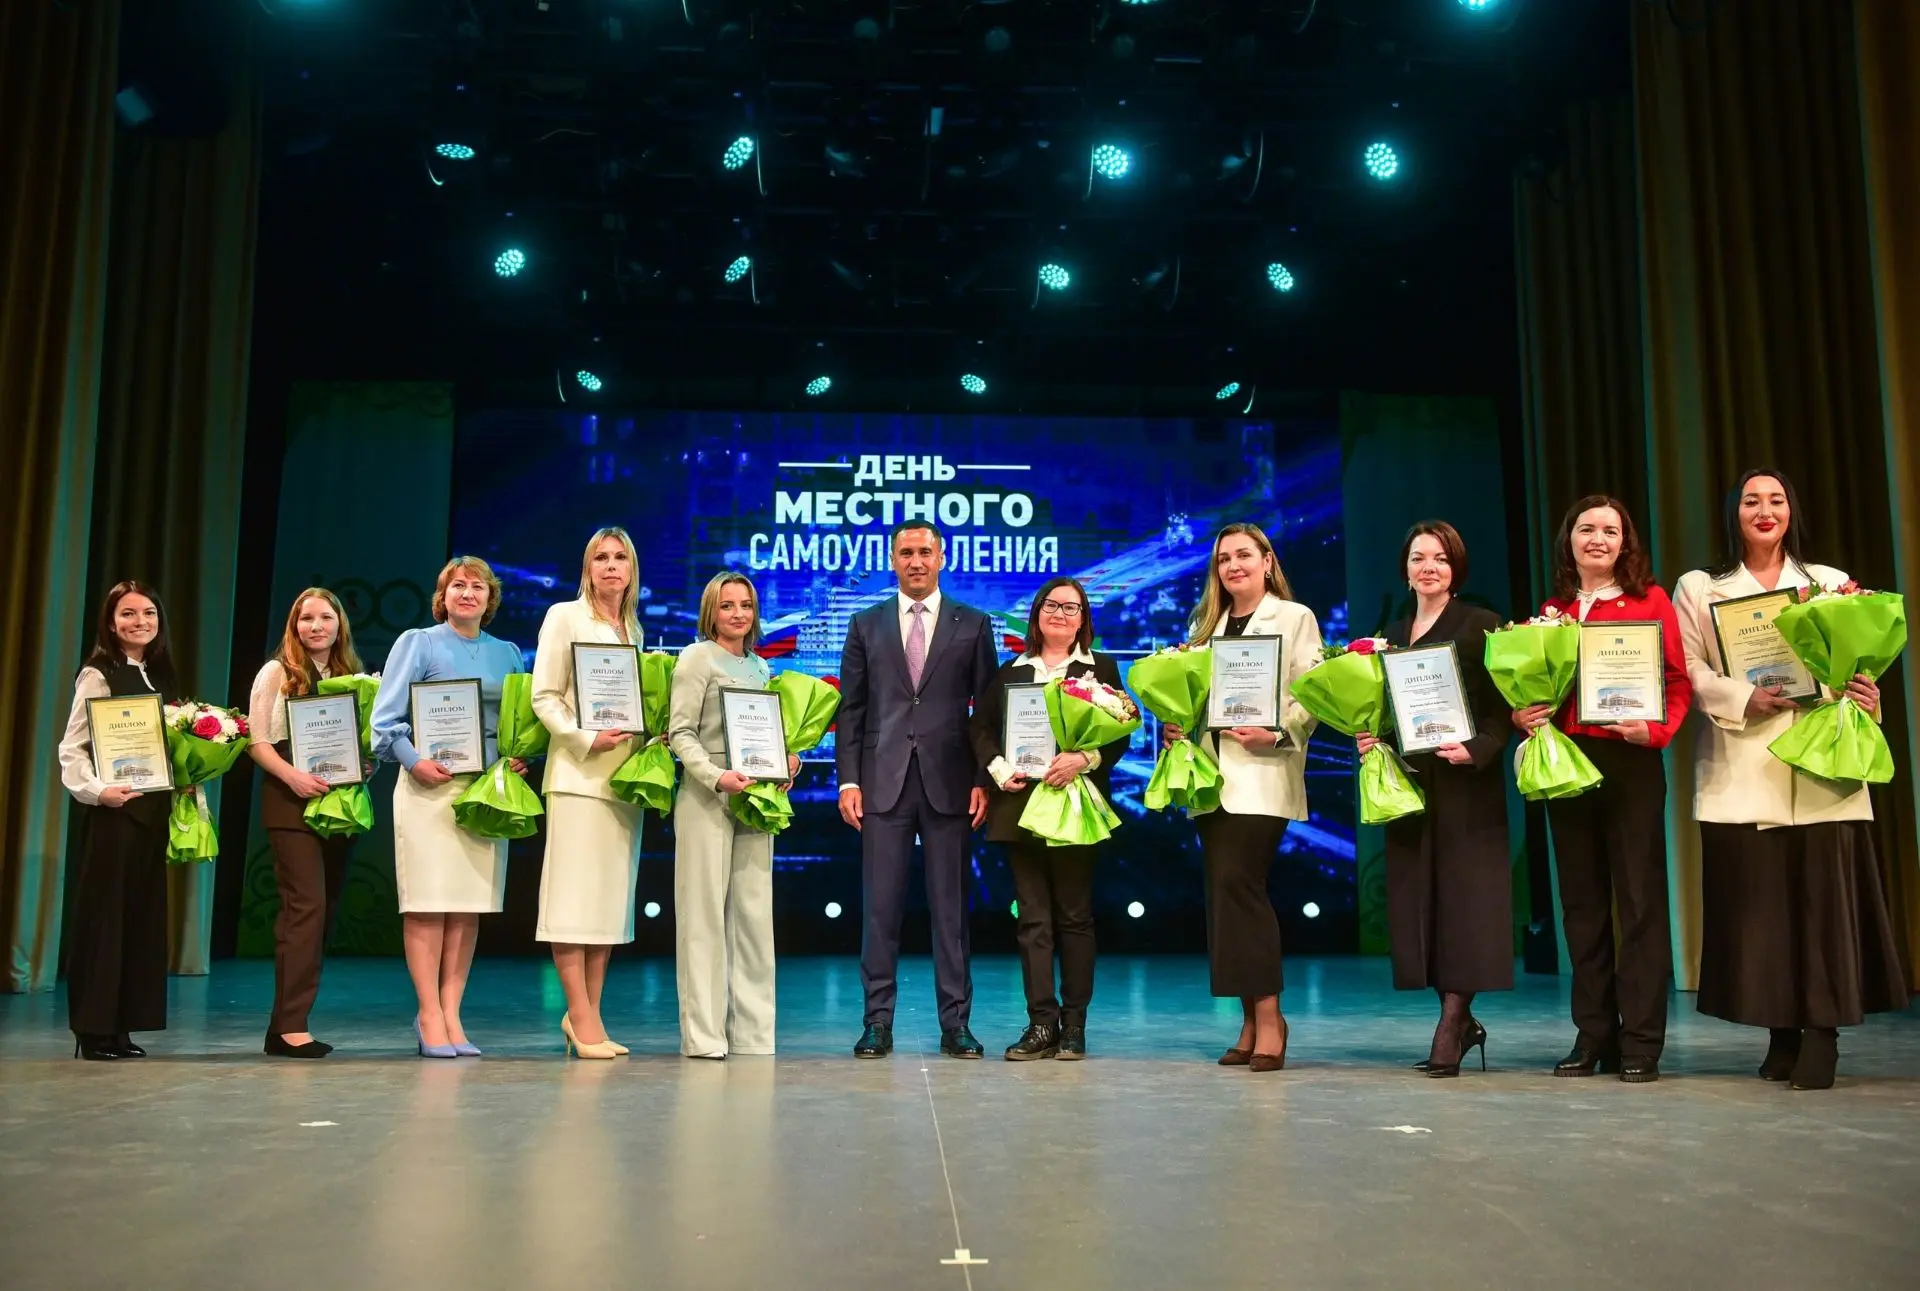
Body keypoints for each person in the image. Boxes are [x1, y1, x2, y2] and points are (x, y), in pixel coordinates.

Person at [1672, 468, 1906, 1090]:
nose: (1765, 510)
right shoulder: (1700, 586)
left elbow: (1854, 662)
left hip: (1820, 762)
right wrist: (1740, 696)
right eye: (1751, 500)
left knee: (1821, 910)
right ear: (1734, 513)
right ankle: (1780, 1032)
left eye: (1776, 499)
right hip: (1742, 762)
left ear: (1791, 511)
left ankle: (1822, 1035)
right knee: (1761, 912)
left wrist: (1865, 692)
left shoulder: (1827, 582)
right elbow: (1688, 665)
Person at [1514, 495, 1691, 1083]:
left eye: (1610, 531)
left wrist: (1656, 730)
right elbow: (1536, 688)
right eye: (1586, 529)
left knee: (1639, 904)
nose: (1598, 539)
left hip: (1631, 761)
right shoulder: (1553, 611)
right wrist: (1523, 714)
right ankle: (1593, 1034)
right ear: (1569, 540)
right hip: (1569, 763)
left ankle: (1641, 1040)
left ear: (1625, 542)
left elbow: (1676, 680)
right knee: (1582, 907)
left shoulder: (1651, 601)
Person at [1163, 523, 1322, 1072]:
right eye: (1224, 559)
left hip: (1264, 772)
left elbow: (1314, 693)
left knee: (1242, 887)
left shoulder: (1294, 617)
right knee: (1224, 895)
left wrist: (1278, 732)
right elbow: (1193, 697)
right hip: (1211, 778)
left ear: (1267, 561)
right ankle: (1249, 1021)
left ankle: (1271, 1018)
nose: (1233, 565)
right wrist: (1178, 725)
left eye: (1243, 555)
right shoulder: (1203, 627)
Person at [836, 520, 998, 1059]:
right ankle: (876, 1023)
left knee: (950, 914)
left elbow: (987, 713)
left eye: (925, 551)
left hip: (951, 784)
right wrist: (849, 779)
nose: (916, 561)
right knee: (880, 911)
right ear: (893, 560)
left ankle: (956, 1025)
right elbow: (852, 710)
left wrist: (983, 778)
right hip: (881, 785)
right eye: (906, 552)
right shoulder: (865, 623)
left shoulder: (973, 624)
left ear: (941, 557)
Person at [1357, 522, 1512, 1077]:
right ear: (1405, 569)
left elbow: (1504, 709)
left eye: (1441, 559)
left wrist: (1479, 748)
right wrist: (1371, 738)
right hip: (1410, 784)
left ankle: (1452, 1024)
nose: (1429, 567)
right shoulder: (1390, 635)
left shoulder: (1481, 625)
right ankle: (1458, 1020)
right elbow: (1380, 710)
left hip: (1465, 782)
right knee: (1420, 905)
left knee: (1466, 905)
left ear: (1456, 569)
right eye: (1419, 558)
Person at [970, 577, 1131, 1061]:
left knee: (1075, 917)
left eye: (1071, 607)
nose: (1060, 614)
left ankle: (1074, 1025)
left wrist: (1084, 760)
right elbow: (980, 728)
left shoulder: (1101, 669)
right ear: (1037, 614)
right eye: (1051, 605)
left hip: (1075, 804)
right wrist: (999, 769)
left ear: (1084, 619)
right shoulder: (1011, 671)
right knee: (1033, 920)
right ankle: (1042, 1023)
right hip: (1020, 806)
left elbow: (1121, 734)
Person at [371, 556, 526, 1059]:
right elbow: (384, 720)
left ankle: (453, 1013)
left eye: (477, 586)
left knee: (466, 906)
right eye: (458, 585)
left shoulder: (508, 653)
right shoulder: (418, 642)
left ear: (490, 598)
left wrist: (516, 757)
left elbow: (517, 720)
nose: (467, 593)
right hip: (430, 790)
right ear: (443, 596)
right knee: (427, 903)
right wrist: (413, 761)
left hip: (485, 793)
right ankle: (428, 1013)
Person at [667, 571, 800, 1059]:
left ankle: (752, 1034)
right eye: (727, 606)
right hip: (707, 798)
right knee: (703, 917)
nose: (738, 613)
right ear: (711, 611)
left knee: (753, 917)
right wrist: (714, 775)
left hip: (755, 801)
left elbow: (768, 735)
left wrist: (787, 762)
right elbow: (680, 733)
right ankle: (704, 1036)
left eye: (745, 605)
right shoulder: (696, 658)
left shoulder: (761, 669)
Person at [532, 527, 647, 1060]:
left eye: (620, 557)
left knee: (606, 907)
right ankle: (580, 1016)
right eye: (601, 557)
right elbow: (545, 696)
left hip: (622, 783)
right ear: (588, 568)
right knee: (572, 902)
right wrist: (584, 738)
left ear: (631, 569)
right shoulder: (564, 616)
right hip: (578, 778)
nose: (611, 565)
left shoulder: (634, 629)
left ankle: (589, 1015)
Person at [57, 582, 177, 1060]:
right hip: (114, 814)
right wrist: (97, 791)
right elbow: (72, 748)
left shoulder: (159, 673)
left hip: (151, 814)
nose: (139, 622)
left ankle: (121, 1026)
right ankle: (92, 1030)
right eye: (128, 614)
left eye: (148, 613)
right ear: (110, 622)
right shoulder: (98, 673)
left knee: (138, 920)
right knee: (105, 920)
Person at [246, 587, 366, 1059]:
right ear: (293, 626)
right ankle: (290, 1026)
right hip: (289, 801)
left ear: (340, 625)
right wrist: (292, 777)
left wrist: (365, 765)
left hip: (337, 807)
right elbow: (257, 741)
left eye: (325, 618)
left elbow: (360, 742)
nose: (316, 626)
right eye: (306, 618)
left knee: (323, 912)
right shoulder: (277, 672)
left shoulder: (350, 676)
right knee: (305, 909)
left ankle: (285, 1025)